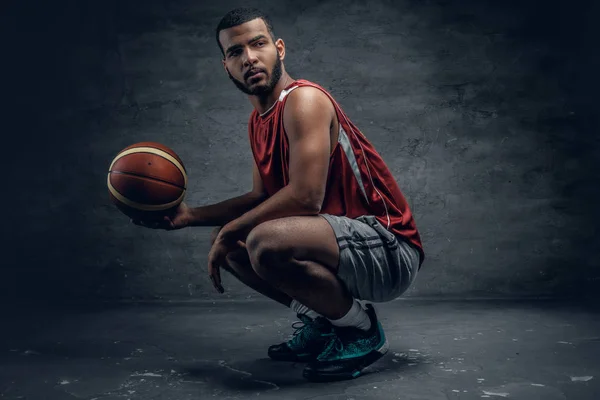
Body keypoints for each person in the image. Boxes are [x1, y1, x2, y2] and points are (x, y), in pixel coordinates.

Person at [133, 7, 425, 382]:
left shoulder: (304, 101)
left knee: (260, 239)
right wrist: (190, 216)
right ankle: (327, 322)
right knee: (237, 247)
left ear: (279, 49)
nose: (249, 58)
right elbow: (261, 198)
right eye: (235, 52)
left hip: (389, 247)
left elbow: (306, 198)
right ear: (226, 66)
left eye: (258, 44)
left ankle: (360, 329)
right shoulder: (259, 121)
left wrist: (229, 230)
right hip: (344, 246)